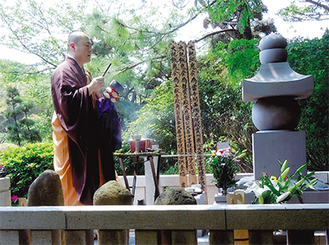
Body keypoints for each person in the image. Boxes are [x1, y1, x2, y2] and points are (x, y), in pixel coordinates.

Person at [51, 31, 120, 205]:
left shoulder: (85, 73)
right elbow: (66, 104)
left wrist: (106, 99)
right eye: (87, 46)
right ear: (73, 46)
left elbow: (94, 103)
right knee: (74, 183)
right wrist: (88, 89)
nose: (91, 50)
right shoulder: (62, 71)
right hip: (72, 138)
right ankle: (76, 227)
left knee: (98, 178)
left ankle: (95, 227)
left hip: (91, 138)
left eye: (91, 47)